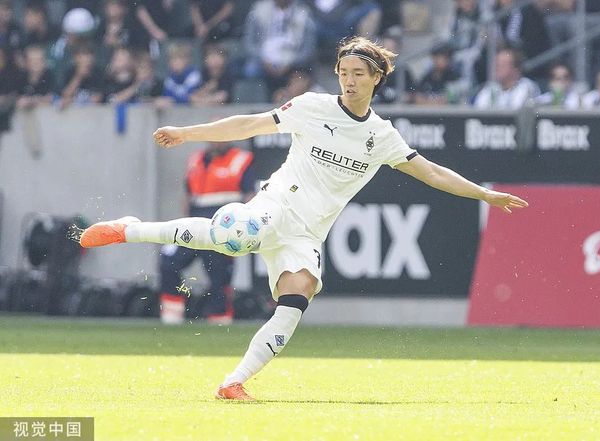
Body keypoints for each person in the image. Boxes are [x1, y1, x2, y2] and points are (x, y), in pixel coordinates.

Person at [77, 36, 528, 401]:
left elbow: (430, 172)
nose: (349, 81)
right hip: (277, 204)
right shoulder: (313, 107)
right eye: (344, 72)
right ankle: (130, 229)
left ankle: (234, 382)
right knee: (235, 237)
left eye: (359, 74)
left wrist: (483, 193)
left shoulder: (381, 136)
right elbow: (250, 124)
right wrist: (186, 132)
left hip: (309, 232)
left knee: (297, 297)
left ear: (377, 78)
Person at [159, 141, 254, 325]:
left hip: (222, 229)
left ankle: (220, 319)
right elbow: (188, 193)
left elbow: (249, 195)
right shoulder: (196, 159)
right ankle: (172, 315)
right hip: (194, 225)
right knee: (168, 261)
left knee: (218, 276)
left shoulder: (240, 160)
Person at [473, 47, 540, 109]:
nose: (497, 68)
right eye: (497, 64)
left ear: (516, 69)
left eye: (502, 65)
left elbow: (516, 110)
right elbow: (478, 110)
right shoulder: (490, 88)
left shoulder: (526, 86)